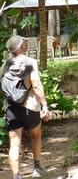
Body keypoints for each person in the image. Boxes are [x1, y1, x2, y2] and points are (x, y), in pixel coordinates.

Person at [1, 35, 51, 179]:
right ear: (21, 48)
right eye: (25, 44)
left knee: (14, 143)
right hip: (30, 107)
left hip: (11, 108)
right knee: (35, 135)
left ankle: (16, 175)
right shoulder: (29, 62)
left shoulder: (6, 65)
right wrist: (44, 105)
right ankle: (37, 167)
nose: (27, 46)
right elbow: (36, 84)